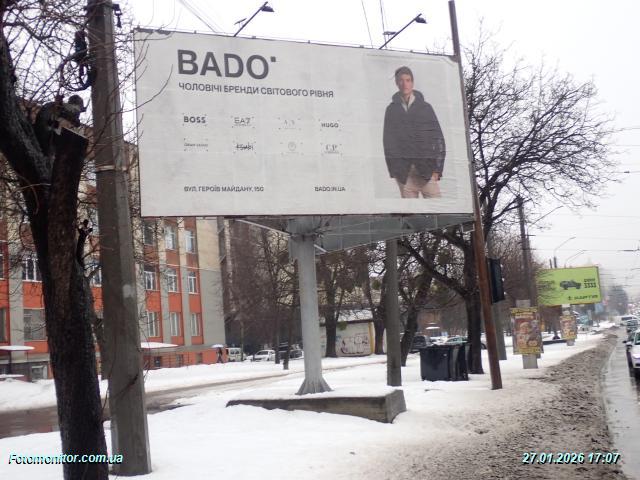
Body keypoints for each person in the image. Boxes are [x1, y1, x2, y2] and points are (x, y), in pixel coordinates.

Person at [383, 66, 446, 198]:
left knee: (437, 207)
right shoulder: (391, 110)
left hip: (426, 170)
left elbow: (438, 138)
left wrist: (437, 169)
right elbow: (388, 141)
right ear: (396, 83)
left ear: (412, 82)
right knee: (411, 211)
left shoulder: (425, 108)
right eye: (401, 80)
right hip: (404, 173)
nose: (404, 84)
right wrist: (393, 169)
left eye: (408, 80)